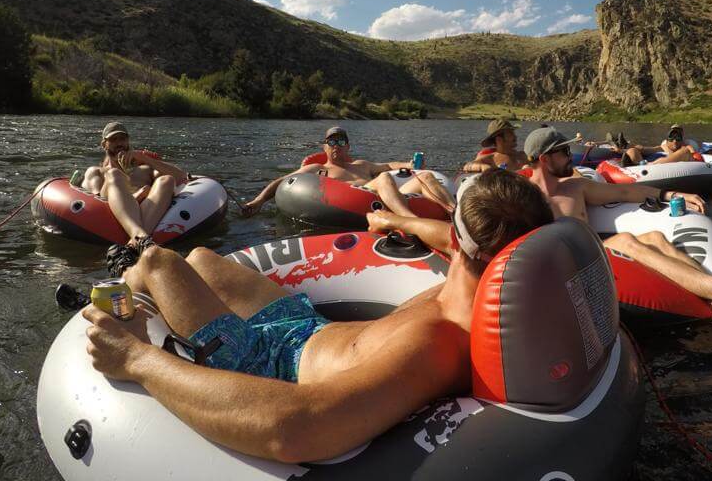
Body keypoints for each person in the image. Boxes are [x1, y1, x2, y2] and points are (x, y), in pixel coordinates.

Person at [81, 169, 552, 463]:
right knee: (202, 256)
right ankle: (135, 283)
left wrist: (136, 359)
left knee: (159, 262)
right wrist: (394, 220)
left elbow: (297, 429)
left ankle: (126, 294)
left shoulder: (440, 342)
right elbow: (452, 238)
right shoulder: (486, 275)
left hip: (269, 365)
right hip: (305, 328)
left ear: (461, 234)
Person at [524, 127, 712, 352]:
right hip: (571, 263)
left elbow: (625, 193)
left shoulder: (575, 187)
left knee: (657, 238)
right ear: (545, 159)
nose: (569, 156)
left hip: (596, 249)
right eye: (563, 152)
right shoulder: (522, 198)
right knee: (626, 240)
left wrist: (670, 194)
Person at [241, 126, 455, 217]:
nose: (336, 145)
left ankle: (454, 212)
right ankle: (410, 221)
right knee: (382, 179)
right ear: (324, 147)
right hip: (353, 200)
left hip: (382, 193)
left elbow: (389, 166)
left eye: (340, 141)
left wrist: (410, 165)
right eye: (331, 142)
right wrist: (257, 202)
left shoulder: (361, 165)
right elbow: (282, 181)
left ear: (348, 146)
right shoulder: (318, 169)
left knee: (425, 176)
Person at [81, 122, 188, 249]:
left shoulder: (144, 169)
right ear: (104, 144)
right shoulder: (97, 172)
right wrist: (135, 197)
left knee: (167, 180)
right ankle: (140, 237)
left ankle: (137, 242)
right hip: (115, 211)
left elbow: (181, 176)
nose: (119, 143)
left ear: (128, 141)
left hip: (147, 209)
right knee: (114, 174)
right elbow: (95, 202)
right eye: (113, 140)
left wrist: (146, 158)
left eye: (123, 139)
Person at [461, 118, 527, 173]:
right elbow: (467, 166)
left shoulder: (522, 155)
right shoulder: (491, 158)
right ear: (499, 140)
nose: (515, 137)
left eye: (513, 133)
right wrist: (483, 167)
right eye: (510, 134)